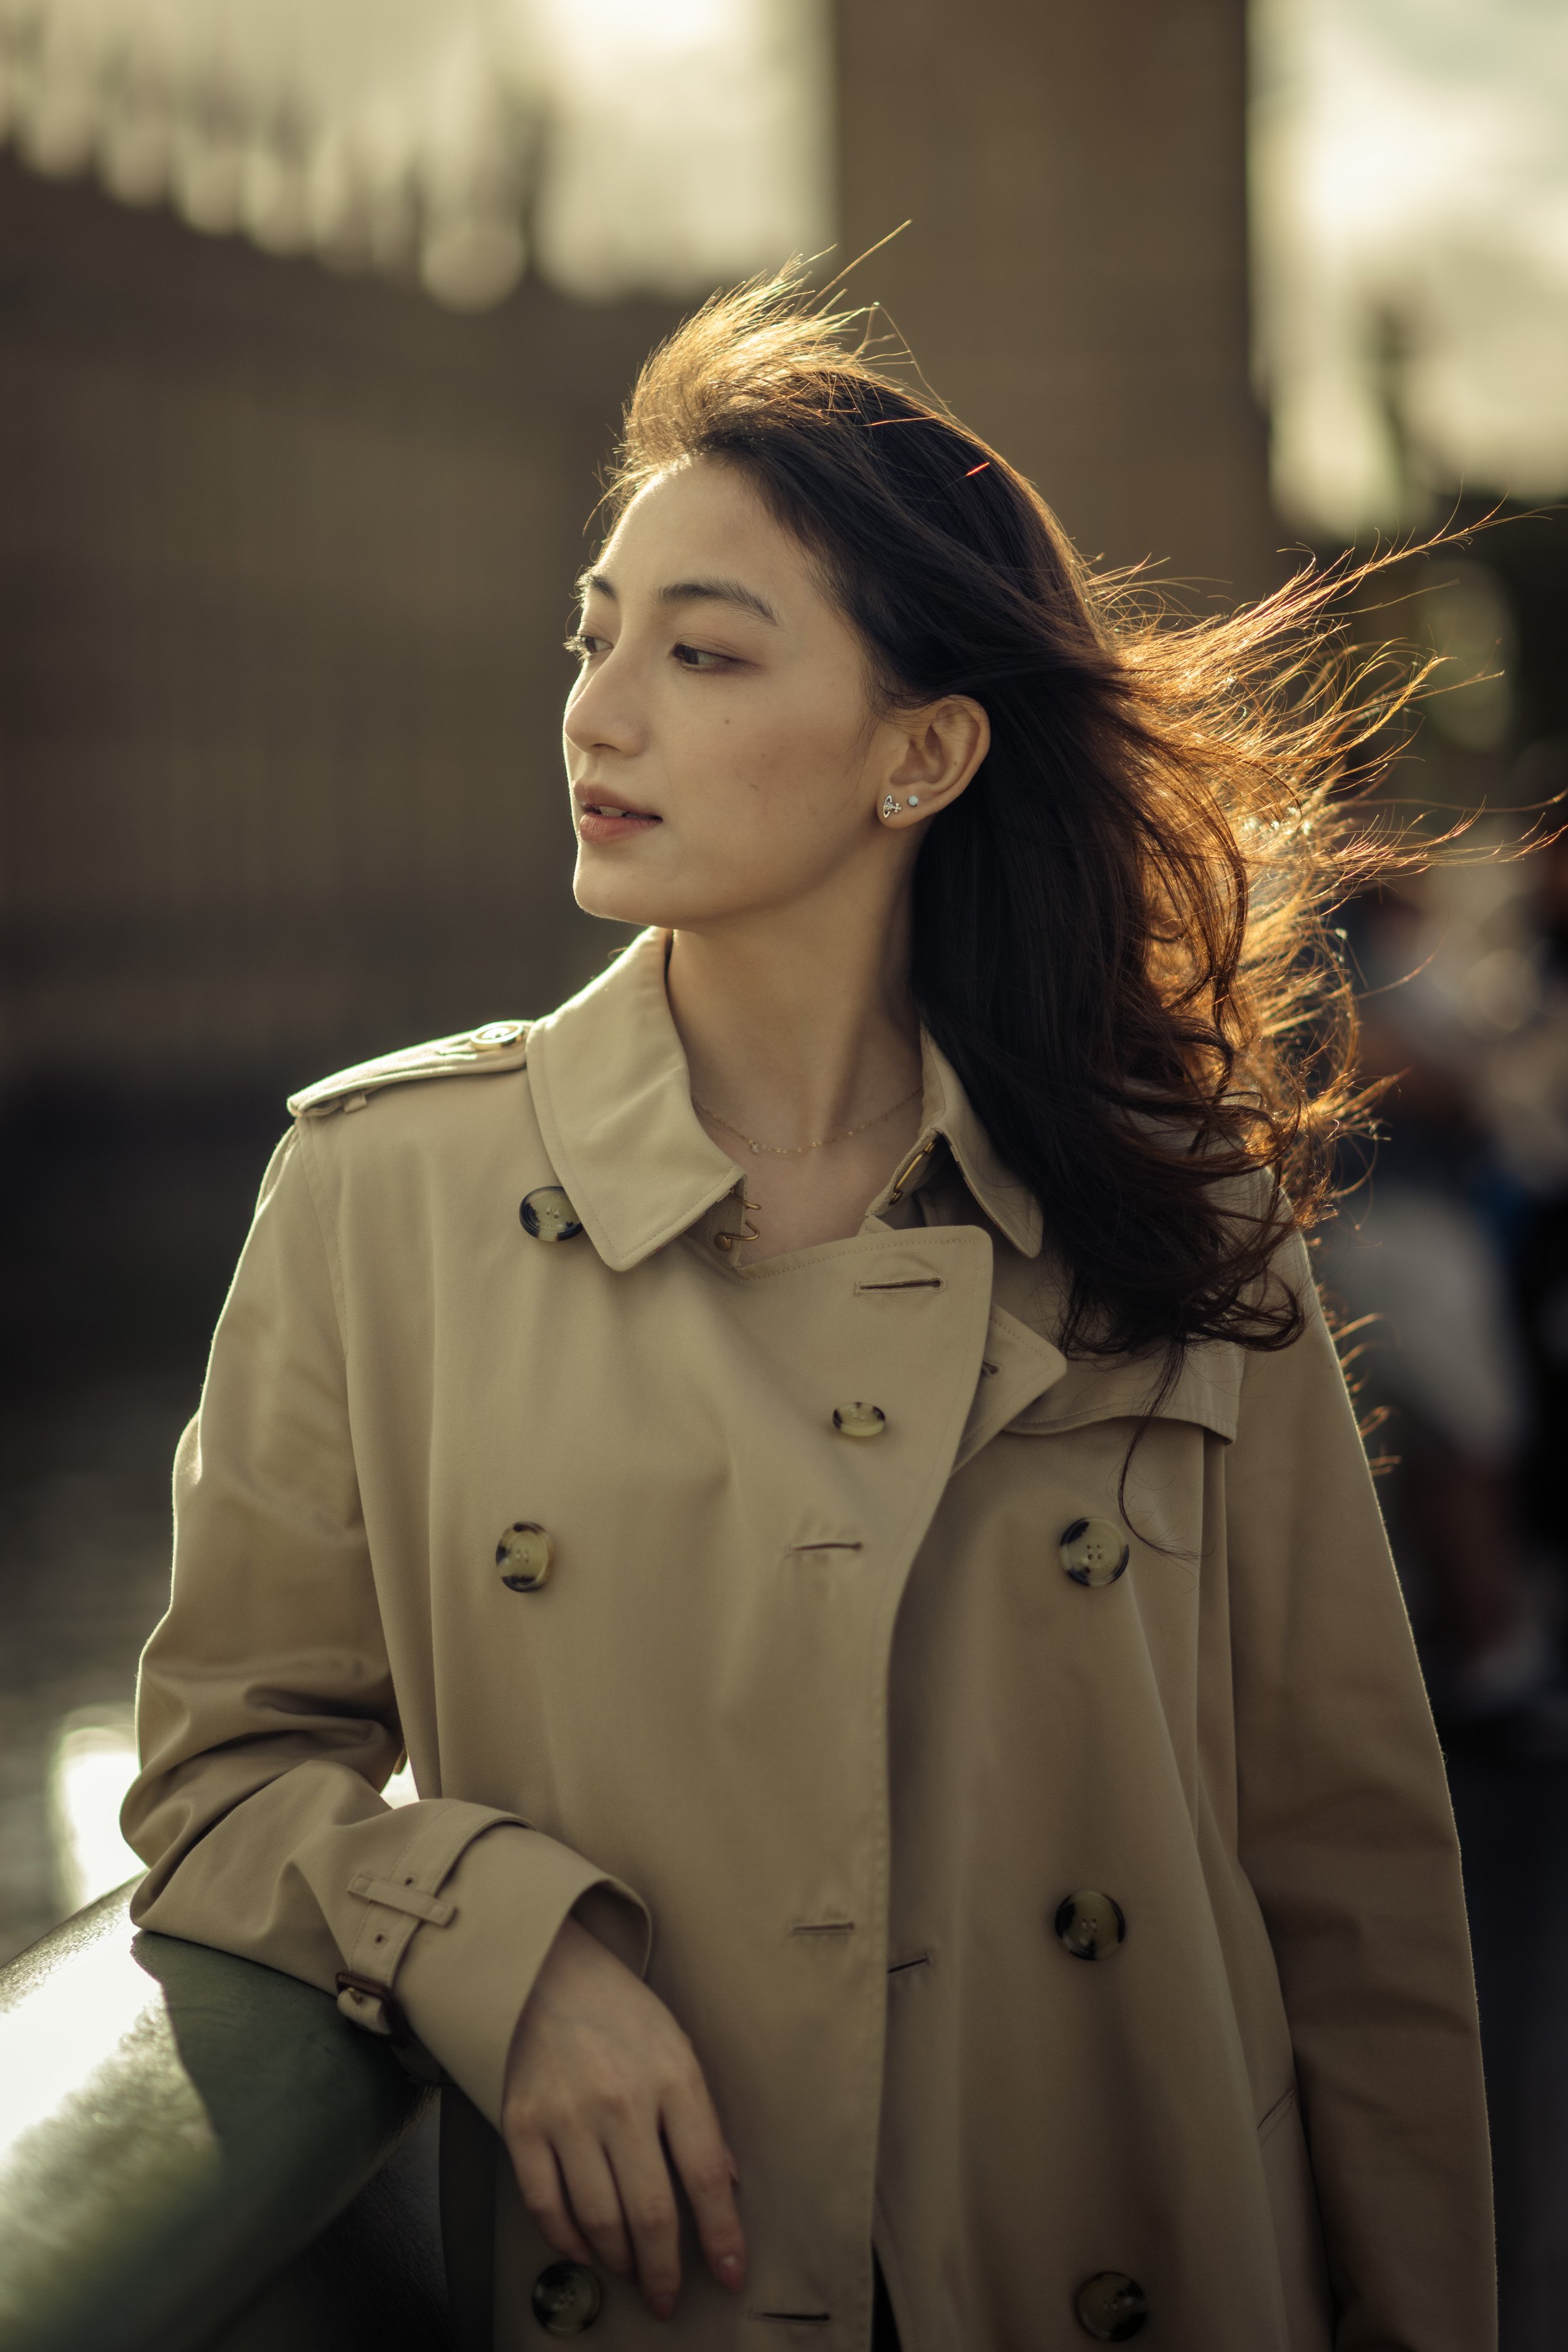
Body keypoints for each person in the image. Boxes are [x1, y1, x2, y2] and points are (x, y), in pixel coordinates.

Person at [123, 277, 1494, 2351]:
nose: (597, 710)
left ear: (922, 751)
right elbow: (221, 1778)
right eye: (594, 636)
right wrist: (506, 1945)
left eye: (701, 652)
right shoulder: (373, 1203)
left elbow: (1353, 1895)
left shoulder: (1174, 1222)